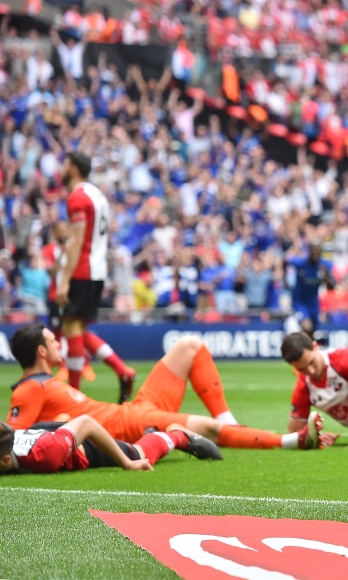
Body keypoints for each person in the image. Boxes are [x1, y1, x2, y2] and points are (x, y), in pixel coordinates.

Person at [5, 323, 324, 451]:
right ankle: (292, 441)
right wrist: (56, 430)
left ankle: (231, 423)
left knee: (190, 345)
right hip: (130, 426)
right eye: (53, 341)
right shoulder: (30, 388)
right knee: (206, 428)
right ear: (41, 352)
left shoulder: (47, 383)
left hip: (131, 411)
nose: (59, 344)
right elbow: (12, 440)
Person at [56, 152, 137, 404]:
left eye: (65, 164)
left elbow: (76, 240)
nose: (61, 169)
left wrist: (64, 279)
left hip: (83, 268)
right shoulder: (97, 195)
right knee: (78, 329)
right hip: (98, 268)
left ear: (74, 169)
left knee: (71, 327)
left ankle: (74, 393)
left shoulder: (77, 197)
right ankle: (122, 371)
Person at [0, 415, 221, 475]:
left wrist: (127, 463)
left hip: (78, 448)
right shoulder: (5, 446)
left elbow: (87, 422)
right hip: (42, 432)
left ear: (5, 460)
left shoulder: (49, 453)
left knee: (138, 453)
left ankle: (178, 435)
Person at [286, 242, 332, 337]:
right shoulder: (300, 263)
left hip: (314, 302)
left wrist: (326, 276)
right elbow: (286, 260)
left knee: (314, 330)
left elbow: (332, 287)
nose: (315, 253)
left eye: (317, 251)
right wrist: (285, 280)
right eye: (313, 251)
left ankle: (309, 345)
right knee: (307, 327)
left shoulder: (324, 265)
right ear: (309, 251)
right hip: (300, 301)